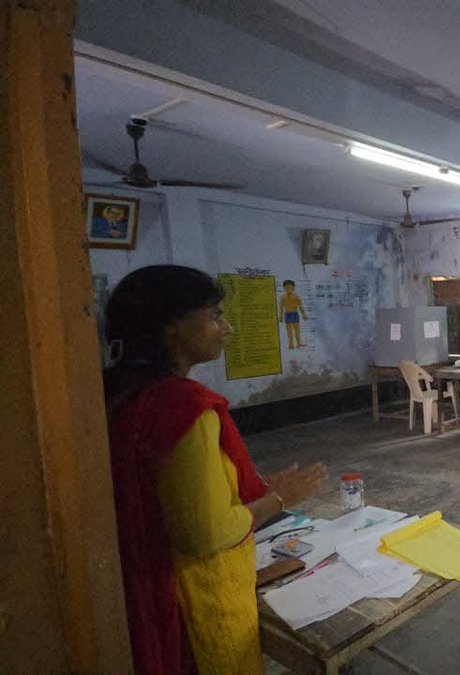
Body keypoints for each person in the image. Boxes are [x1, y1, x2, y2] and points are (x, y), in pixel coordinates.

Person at [103, 265, 326, 675]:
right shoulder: (183, 408)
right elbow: (204, 534)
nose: (227, 328)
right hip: (188, 595)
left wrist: (254, 491)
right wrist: (276, 502)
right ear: (171, 325)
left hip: (135, 583)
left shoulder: (120, 395)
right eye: (214, 315)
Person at [278, 279, 309, 350]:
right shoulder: (282, 297)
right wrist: (280, 316)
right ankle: (291, 344)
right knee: (289, 331)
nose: (288, 289)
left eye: (290, 287)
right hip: (287, 315)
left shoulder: (296, 296)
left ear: (293, 288)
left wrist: (304, 314)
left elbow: (301, 306)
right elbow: (280, 308)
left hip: (295, 314)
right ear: (283, 288)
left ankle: (299, 344)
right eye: (286, 287)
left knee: (297, 330)